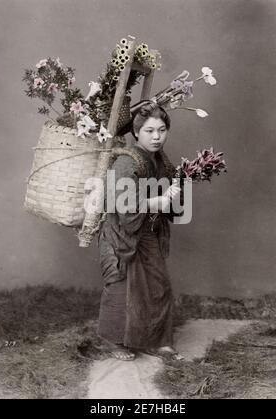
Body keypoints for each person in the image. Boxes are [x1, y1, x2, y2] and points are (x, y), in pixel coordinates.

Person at [97, 101, 184, 361]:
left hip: (147, 231)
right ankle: (114, 342)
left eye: (162, 130)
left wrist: (178, 192)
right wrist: (157, 201)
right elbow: (125, 209)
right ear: (136, 132)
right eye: (149, 131)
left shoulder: (161, 161)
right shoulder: (125, 161)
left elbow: (171, 202)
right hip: (120, 233)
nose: (157, 137)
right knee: (121, 287)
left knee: (159, 286)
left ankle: (157, 341)